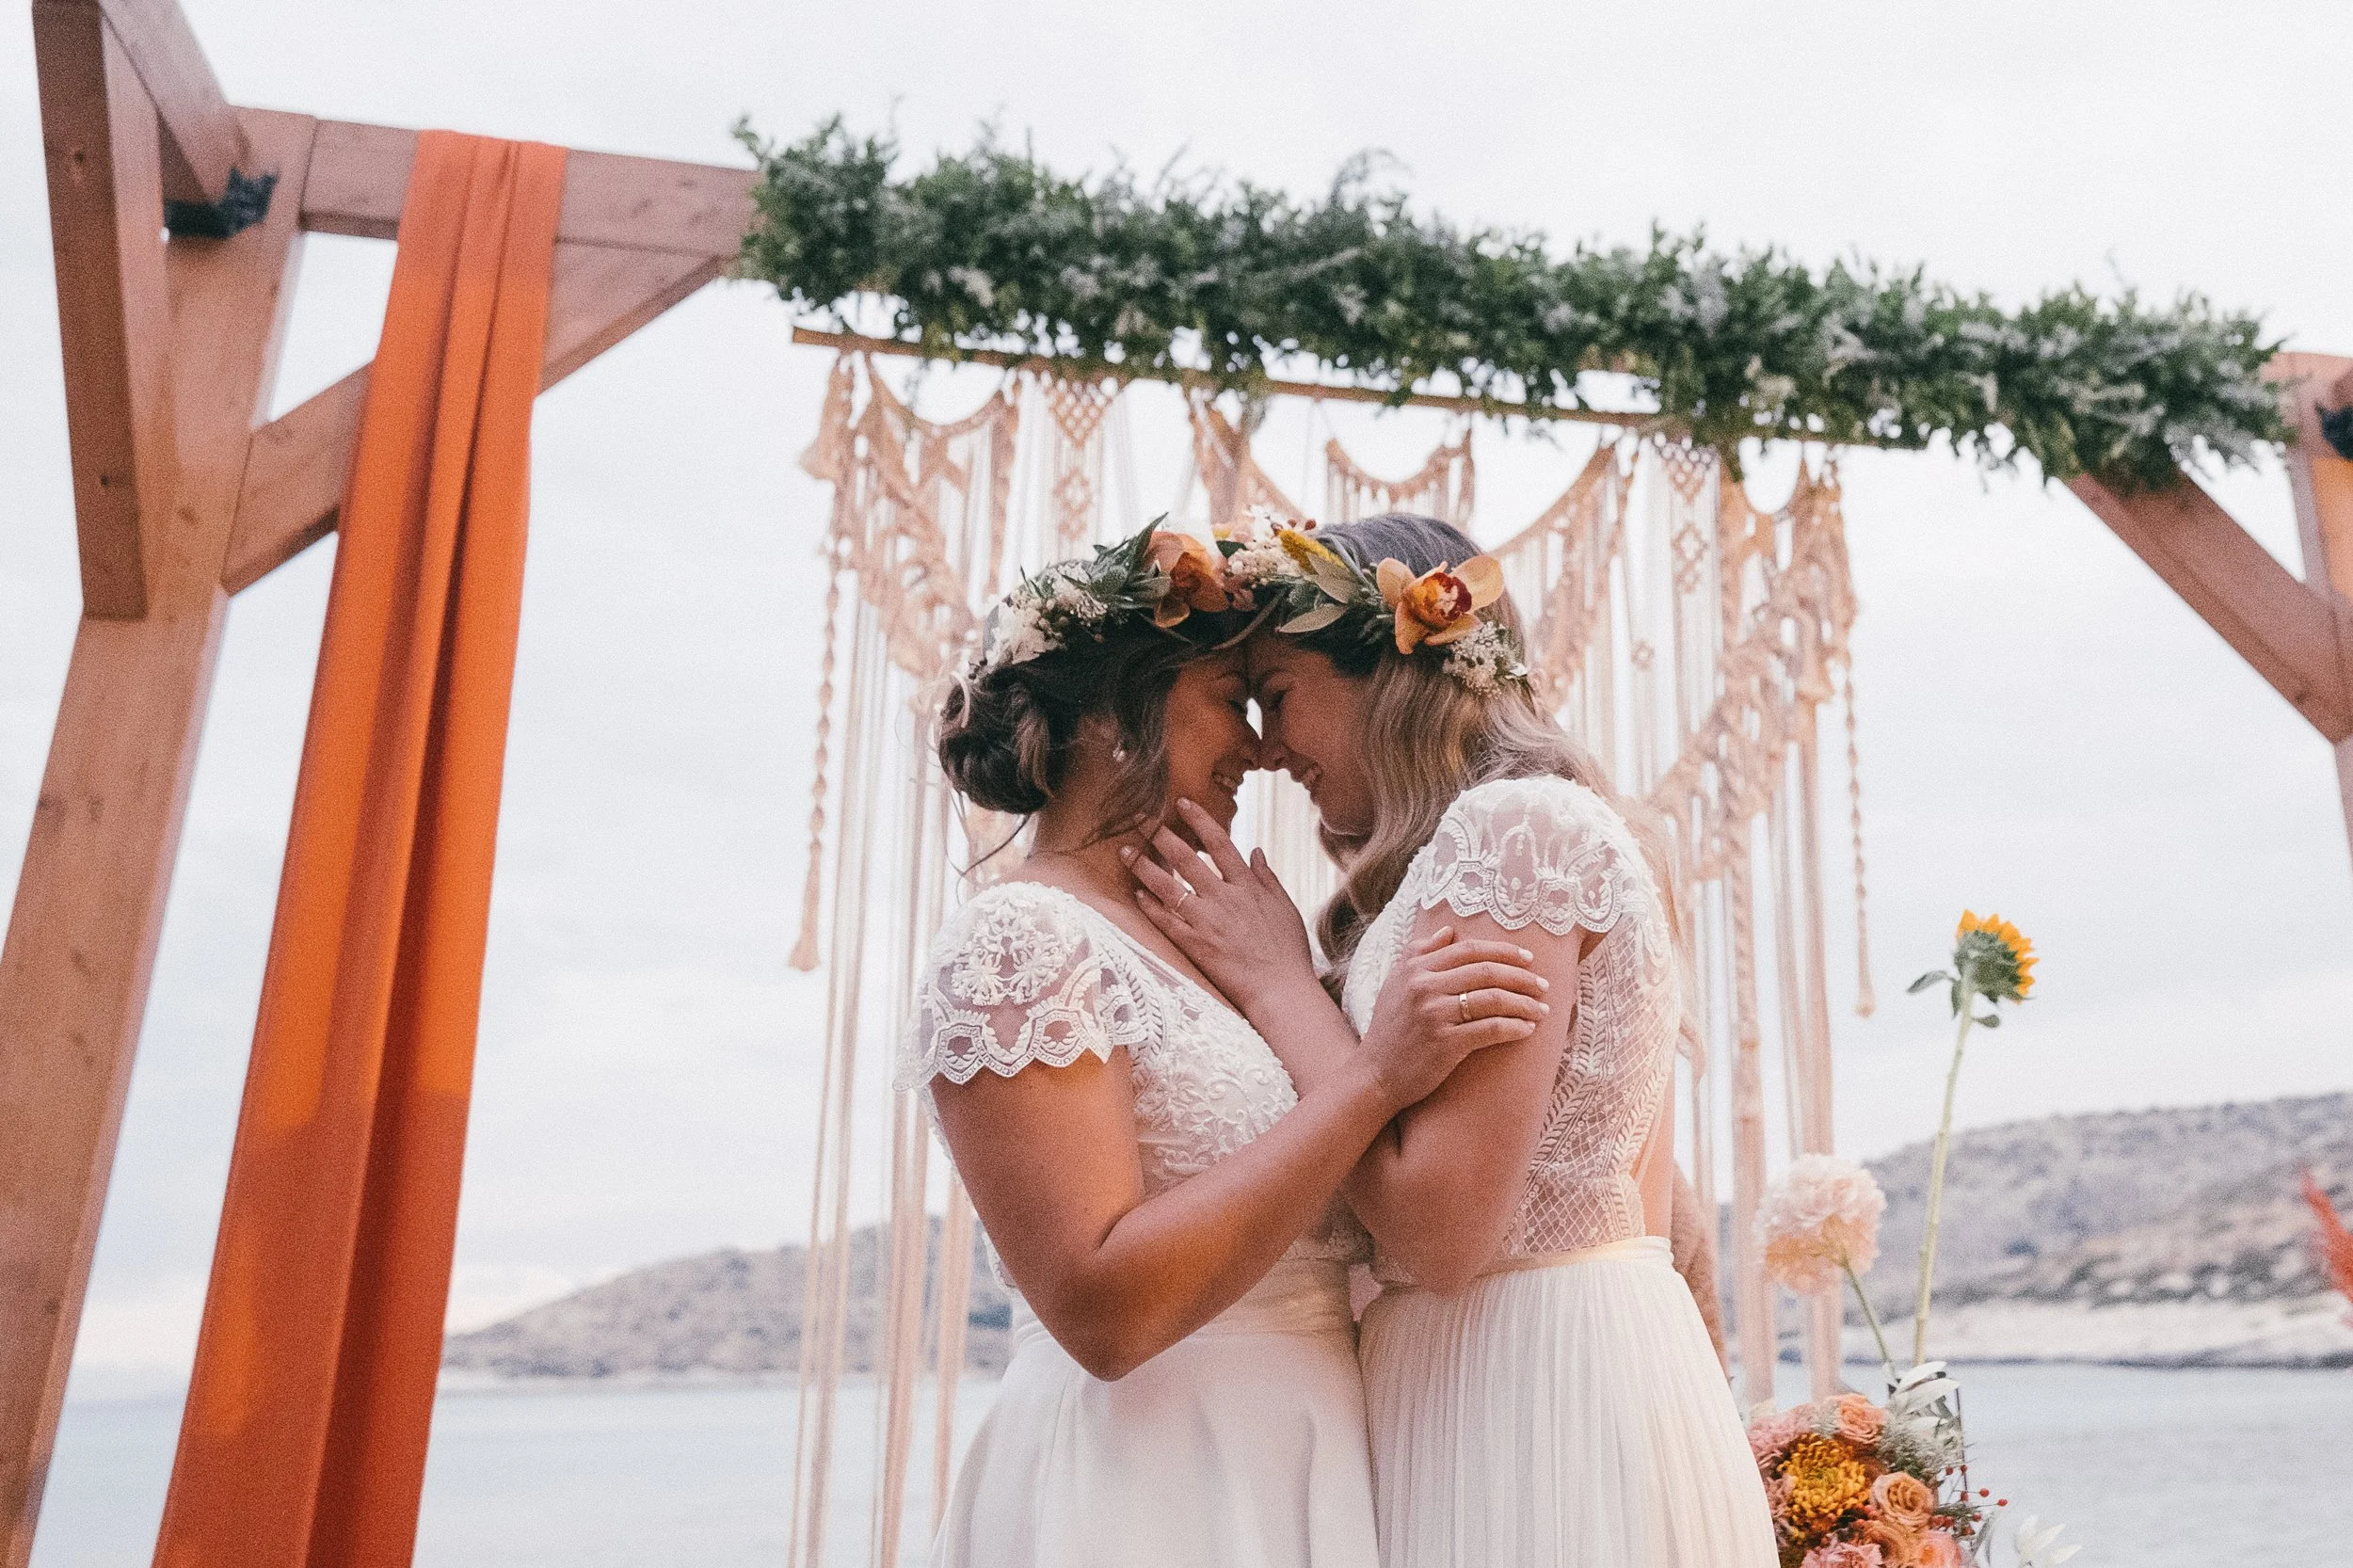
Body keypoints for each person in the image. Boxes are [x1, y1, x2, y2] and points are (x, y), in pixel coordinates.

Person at [1127, 511, 1776, 1568]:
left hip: (1536, 1390)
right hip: (1488, 1373)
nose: (1270, 746)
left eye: (1280, 696)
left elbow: (1439, 1233)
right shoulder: (1474, 856)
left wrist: (1279, 984)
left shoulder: (1514, 831)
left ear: (1393, 669)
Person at [908, 523, 1547, 1568]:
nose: (1256, 747)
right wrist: (1374, 1078)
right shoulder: (1020, 938)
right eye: (1225, 702)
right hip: (1151, 1482)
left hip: (1316, 1455)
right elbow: (1102, 1311)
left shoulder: (1219, 939)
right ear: (1118, 716)